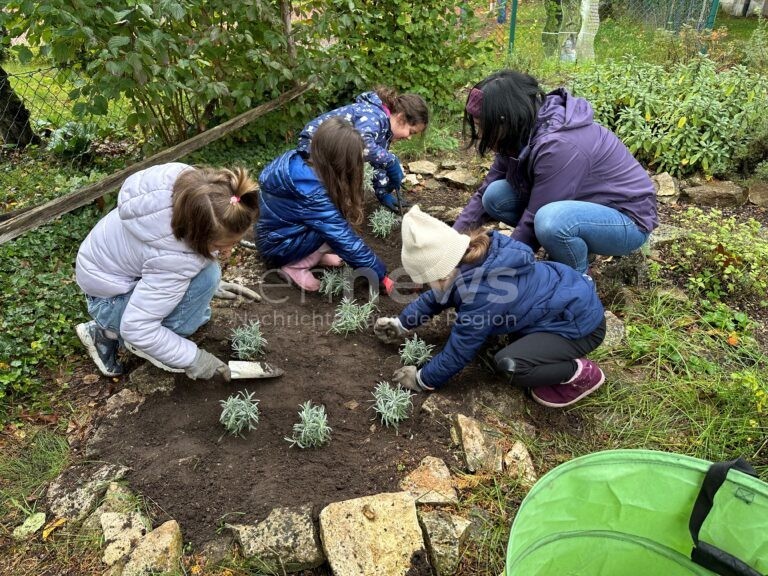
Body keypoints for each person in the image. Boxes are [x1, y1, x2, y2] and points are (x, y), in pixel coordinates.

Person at [375, 205, 606, 408]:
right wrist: (401, 323)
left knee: (511, 364)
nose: (429, 286)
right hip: (562, 303)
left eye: (428, 280)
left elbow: (460, 350)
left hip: (579, 326)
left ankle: (579, 373)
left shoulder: (483, 293)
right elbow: (436, 298)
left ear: (442, 273)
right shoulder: (472, 257)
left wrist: (422, 379)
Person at [453, 69, 657, 273]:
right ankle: (576, 245)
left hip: (626, 220)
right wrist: (450, 246)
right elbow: (484, 193)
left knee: (550, 222)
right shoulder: (520, 130)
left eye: (482, 126)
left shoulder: (560, 144)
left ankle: (575, 280)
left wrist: (498, 271)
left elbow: (533, 219)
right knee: (494, 196)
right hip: (580, 206)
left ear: (505, 119)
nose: (479, 134)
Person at [75, 163, 260, 379]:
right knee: (183, 322)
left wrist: (211, 283)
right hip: (108, 300)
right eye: (220, 246)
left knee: (209, 274)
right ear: (199, 236)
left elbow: (172, 261)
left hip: (109, 276)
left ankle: (117, 326)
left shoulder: (190, 194)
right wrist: (193, 358)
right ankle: (106, 333)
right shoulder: (173, 258)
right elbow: (138, 327)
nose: (228, 250)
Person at [258, 117, 394, 294]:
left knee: (330, 224)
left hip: (276, 236)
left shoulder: (300, 161)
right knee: (333, 230)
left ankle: (313, 256)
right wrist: (380, 275)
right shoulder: (311, 193)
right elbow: (343, 239)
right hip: (279, 249)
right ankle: (294, 267)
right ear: (339, 161)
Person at [297, 87, 429, 212]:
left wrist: (383, 192)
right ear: (400, 118)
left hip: (333, 150)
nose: (409, 138)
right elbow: (362, 144)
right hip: (315, 143)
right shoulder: (373, 115)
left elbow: (376, 162)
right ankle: (316, 209)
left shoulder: (384, 131)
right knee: (322, 184)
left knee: (339, 181)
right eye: (411, 132)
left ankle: (327, 206)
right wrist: (390, 160)